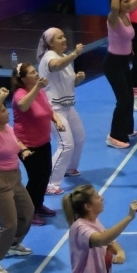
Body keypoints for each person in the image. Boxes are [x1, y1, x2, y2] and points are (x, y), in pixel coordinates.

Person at [0, 88, 34, 264]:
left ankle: (13, 244)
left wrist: (23, 150)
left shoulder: (7, 128)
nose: (7, 112)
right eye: (2, 110)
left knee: (27, 212)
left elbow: (15, 141)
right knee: (9, 224)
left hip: (15, 177)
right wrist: (1, 96)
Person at [9, 63, 59, 226]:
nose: (36, 74)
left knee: (45, 174)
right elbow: (23, 106)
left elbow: (48, 109)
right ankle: (27, 212)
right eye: (32, 73)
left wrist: (57, 120)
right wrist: (37, 87)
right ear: (23, 79)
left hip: (43, 141)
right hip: (27, 145)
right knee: (36, 178)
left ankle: (38, 205)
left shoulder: (40, 91)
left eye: (35, 71)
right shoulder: (20, 94)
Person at [37, 29, 86, 195]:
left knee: (79, 138)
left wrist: (77, 79)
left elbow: (66, 81)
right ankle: (49, 183)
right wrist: (75, 54)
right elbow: (56, 66)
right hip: (54, 110)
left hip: (68, 107)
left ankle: (69, 168)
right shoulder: (49, 57)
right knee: (66, 145)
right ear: (51, 43)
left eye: (64, 36)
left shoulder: (63, 57)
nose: (64, 39)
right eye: (60, 37)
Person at [105, 0, 136, 148]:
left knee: (129, 96)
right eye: (125, 1)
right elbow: (114, 7)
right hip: (113, 64)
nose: (129, 4)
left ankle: (127, 129)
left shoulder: (127, 15)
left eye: (129, 0)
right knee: (123, 99)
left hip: (124, 62)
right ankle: (114, 136)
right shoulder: (113, 18)